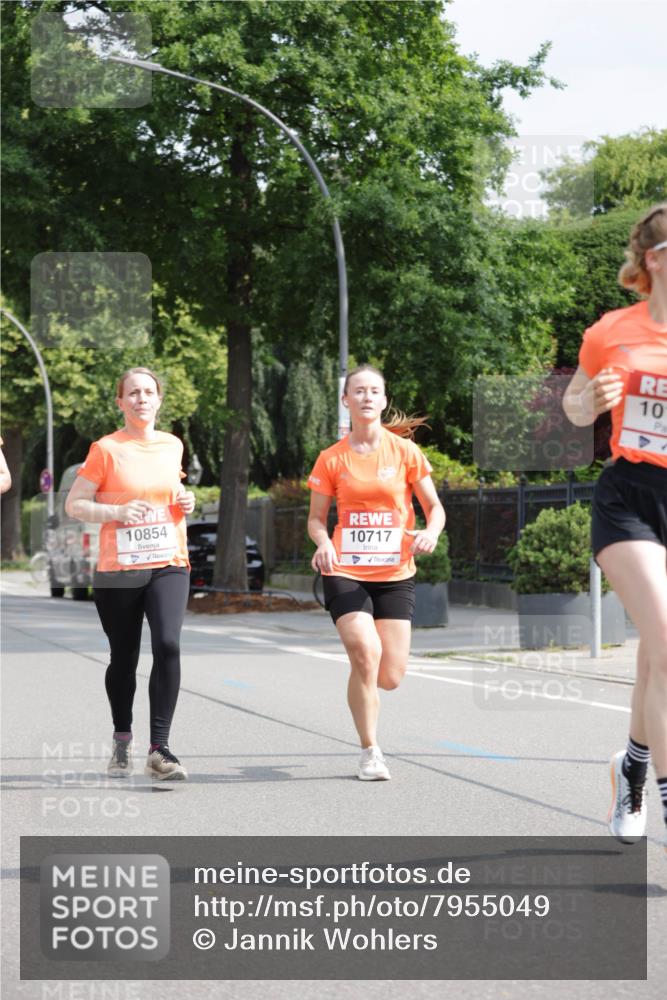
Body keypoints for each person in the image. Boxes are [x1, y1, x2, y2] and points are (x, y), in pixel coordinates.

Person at [563, 203, 667, 849]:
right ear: (654, 259)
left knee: (657, 655)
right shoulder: (612, 330)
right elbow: (574, 404)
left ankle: (630, 765)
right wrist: (591, 400)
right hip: (630, 497)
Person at [307, 365, 446, 780]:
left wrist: (431, 533)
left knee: (390, 676)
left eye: (374, 391)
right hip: (345, 569)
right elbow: (316, 519)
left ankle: (363, 676)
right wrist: (323, 543)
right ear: (345, 400)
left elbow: (434, 509)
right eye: (358, 391)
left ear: (384, 401)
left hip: (395, 572)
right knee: (366, 653)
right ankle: (371, 751)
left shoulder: (405, 452)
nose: (366, 397)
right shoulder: (332, 458)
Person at [65, 367, 195, 781]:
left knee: (168, 644)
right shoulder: (106, 449)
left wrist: (186, 499)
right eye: (133, 393)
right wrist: (117, 511)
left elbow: (171, 490)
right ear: (120, 402)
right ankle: (122, 737)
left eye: (149, 392)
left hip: (168, 561)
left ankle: (160, 749)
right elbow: (75, 504)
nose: (142, 399)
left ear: (159, 400)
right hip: (118, 569)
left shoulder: (173, 445)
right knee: (124, 658)